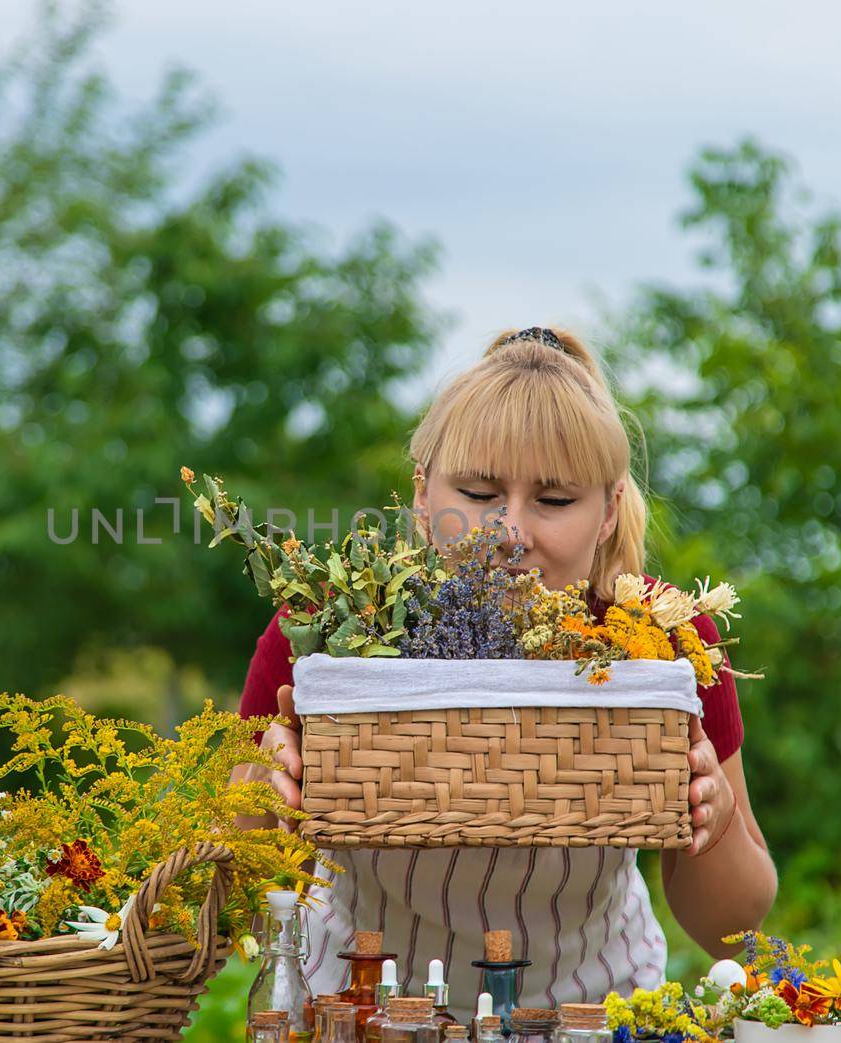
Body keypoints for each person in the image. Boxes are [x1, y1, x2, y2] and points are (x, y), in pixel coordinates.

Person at [231, 325, 777, 1017]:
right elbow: (235, 911)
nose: (510, 531)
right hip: (361, 1014)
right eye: (480, 492)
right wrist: (264, 792)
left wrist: (712, 817)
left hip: (592, 1016)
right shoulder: (325, 635)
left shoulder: (666, 643)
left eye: (554, 501)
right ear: (423, 495)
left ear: (609, 510)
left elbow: (732, 927)